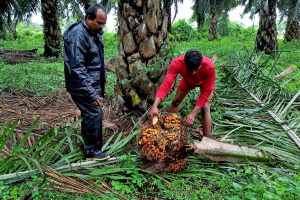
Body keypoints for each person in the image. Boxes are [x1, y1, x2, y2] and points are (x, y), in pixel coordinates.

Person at [63, 4, 109, 160]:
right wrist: (91, 93)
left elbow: (94, 59)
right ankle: (92, 152)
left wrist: (102, 76)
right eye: (99, 23)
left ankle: (89, 146)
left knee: (90, 114)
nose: (102, 27)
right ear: (88, 18)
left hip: (89, 82)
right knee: (94, 113)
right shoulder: (78, 35)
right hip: (81, 85)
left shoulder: (92, 32)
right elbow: (76, 68)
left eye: (104, 24)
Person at [148, 50, 216, 137]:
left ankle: (207, 140)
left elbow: (205, 93)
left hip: (205, 82)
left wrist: (192, 114)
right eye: (190, 70)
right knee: (176, 101)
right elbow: (166, 85)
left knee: (205, 107)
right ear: (185, 63)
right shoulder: (177, 63)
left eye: (196, 70)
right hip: (188, 80)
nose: (194, 73)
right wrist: (154, 106)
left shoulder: (209, 66)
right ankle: (169, 130)